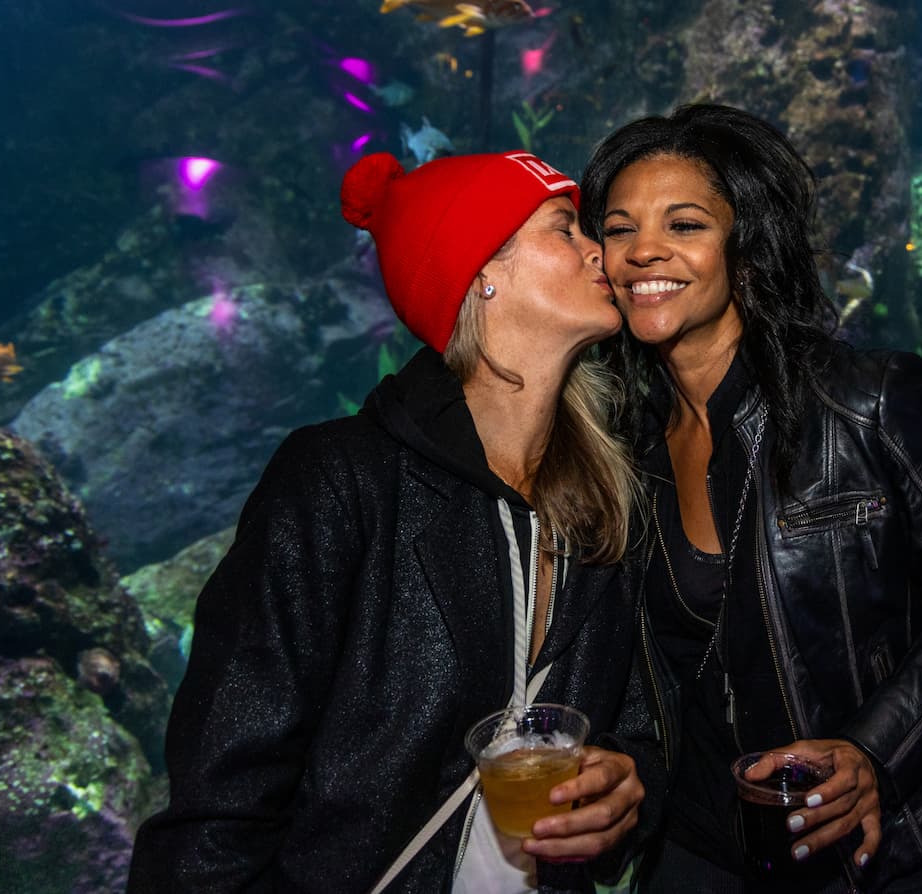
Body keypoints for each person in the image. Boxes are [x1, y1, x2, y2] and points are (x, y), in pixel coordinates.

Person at [128, 149, 663, 893]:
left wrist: (622, 789)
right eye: (563, 228)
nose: (598, 250)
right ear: (484, 272)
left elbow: (639, 726)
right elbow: (220, 800)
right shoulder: (340, 484)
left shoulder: (605, 492)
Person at [579, 104, 922, 893]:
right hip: (697, 840)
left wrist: (874, 754)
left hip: (860, 843)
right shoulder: (619, 440)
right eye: (619, 229)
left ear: (747, 249)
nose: (643, 250)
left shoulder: (870, 403)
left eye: (684, 224)